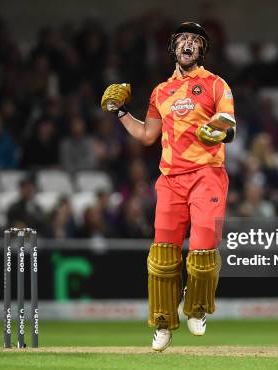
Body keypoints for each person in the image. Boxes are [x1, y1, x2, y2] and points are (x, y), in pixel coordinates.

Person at [100, 22, 235, 351]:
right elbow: (147, 135)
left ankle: (197, 307)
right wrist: (119, 113)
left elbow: (229, 126)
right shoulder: (161, 91)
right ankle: (162, 321)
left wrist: (214, 131)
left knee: (203, 246)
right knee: (162, 255)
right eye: (182, 40)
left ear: (201, 49)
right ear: (173, 48)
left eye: (194, 41)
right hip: (171, 179)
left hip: (207, 174)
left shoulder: (216, 84)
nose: (188, 45)